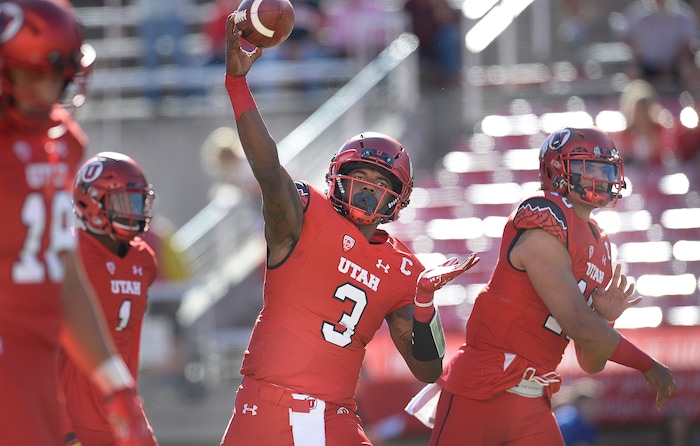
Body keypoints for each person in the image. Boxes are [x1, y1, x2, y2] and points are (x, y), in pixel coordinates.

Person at [219, 20, 480, 446]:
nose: (367, 193)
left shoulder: (404, 268)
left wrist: (424, 305)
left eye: (381, 187)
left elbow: (428, 370)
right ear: (338, 178)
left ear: (398, 200)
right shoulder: (304, 213)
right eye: (360, 178)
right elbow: (267, 169)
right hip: (267, 407)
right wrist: (237, 84)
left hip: (335, 417)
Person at [421, 127, 676, 445]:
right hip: (482, 387)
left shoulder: (601, 243)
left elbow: (589, 362)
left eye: (606, 168)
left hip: (533, 398)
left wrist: (605, 318)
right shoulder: (545, 217)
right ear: (557, 170)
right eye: (590, 168)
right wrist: (646, 364)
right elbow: (578, 323)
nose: (602, 177)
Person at [0, 2, 156, 445]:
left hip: (34, 366)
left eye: (58, 77)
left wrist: (118, 387)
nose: (46, 92)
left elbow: (66, 279)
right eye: (32, 75)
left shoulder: (63, 141)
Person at [59, 152, 158, 445]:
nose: (134, 211)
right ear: (92, 201)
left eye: (137, 201)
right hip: (72, 416)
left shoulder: (144, 260)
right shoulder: (69, 253)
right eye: (123, 202)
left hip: (124, 411)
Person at [619, 0, 698, 92]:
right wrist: (639, 55)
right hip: (646, 63)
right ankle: (637, 103)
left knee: (689, 69)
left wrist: (669, 64)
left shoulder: (683, 12)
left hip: (675, 63)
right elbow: (626, 37)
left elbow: (688, 43)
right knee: (632, 71)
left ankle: (691, 101)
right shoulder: (637, 12)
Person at [553, 378, 603, 446]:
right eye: (591, 402)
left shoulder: (584, 420)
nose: (595, 406)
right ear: (582, 402)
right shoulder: (570, 422)